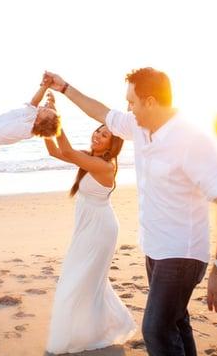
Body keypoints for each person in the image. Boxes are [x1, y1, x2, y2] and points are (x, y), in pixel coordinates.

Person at [42, 67, 217, 356]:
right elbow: (99, 111)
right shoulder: (138, 127)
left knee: (155, 329)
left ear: (151, 102)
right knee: (177, 322)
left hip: (181, 253)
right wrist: (64, 87)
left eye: (132, 102)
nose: (128, 109)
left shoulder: (190, 140)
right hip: (154, 249)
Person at [43, 93, 136, 354]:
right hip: (88, 228)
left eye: (104, 135)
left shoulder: (103, 166)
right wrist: (47, 121)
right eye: (98, 130)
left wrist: (56, 118)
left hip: (100, 231)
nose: (97, 135)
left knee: (78, 282)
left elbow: (68, 151)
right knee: (85, 282)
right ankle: (95, 330)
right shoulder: (89, 158)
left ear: (112, 145)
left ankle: (86, 334)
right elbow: (54, 150)